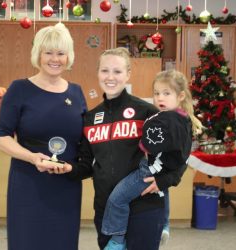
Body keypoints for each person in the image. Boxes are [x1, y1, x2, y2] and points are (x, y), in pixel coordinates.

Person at [61, 47, 173, 250]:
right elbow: (86, 164)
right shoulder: (90, 118)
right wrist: (69, 169)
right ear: (97, 73)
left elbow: (175, 152)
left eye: (117, 71)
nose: (110, 77)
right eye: (105, 71)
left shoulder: (147, 111)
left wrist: (165, 179)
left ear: (128, 74)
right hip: (105, 210)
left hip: (144, 207)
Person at [0, 22, 86, 250]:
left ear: (69, 56)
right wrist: (32, 157)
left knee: (63, 242)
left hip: (66, 185)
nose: (55, 59)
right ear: (38, 55)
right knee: (28, 241)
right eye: (49, 52)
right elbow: (2, 137)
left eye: (61, 53)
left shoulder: (77, 92)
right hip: (29, 182)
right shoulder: (19, 89)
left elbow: (84, 139)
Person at [99, 70, 203, 250]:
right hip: (162, 171)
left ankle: (117, 239)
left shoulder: (166, 119)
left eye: (166, 93)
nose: (159, 98)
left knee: (116, 200)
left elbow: (148, 144)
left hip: (148, 171)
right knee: (163, 191)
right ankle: (165, 225)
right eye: (156, 93)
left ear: (180, 96)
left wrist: (143, 142)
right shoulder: (183, 118)